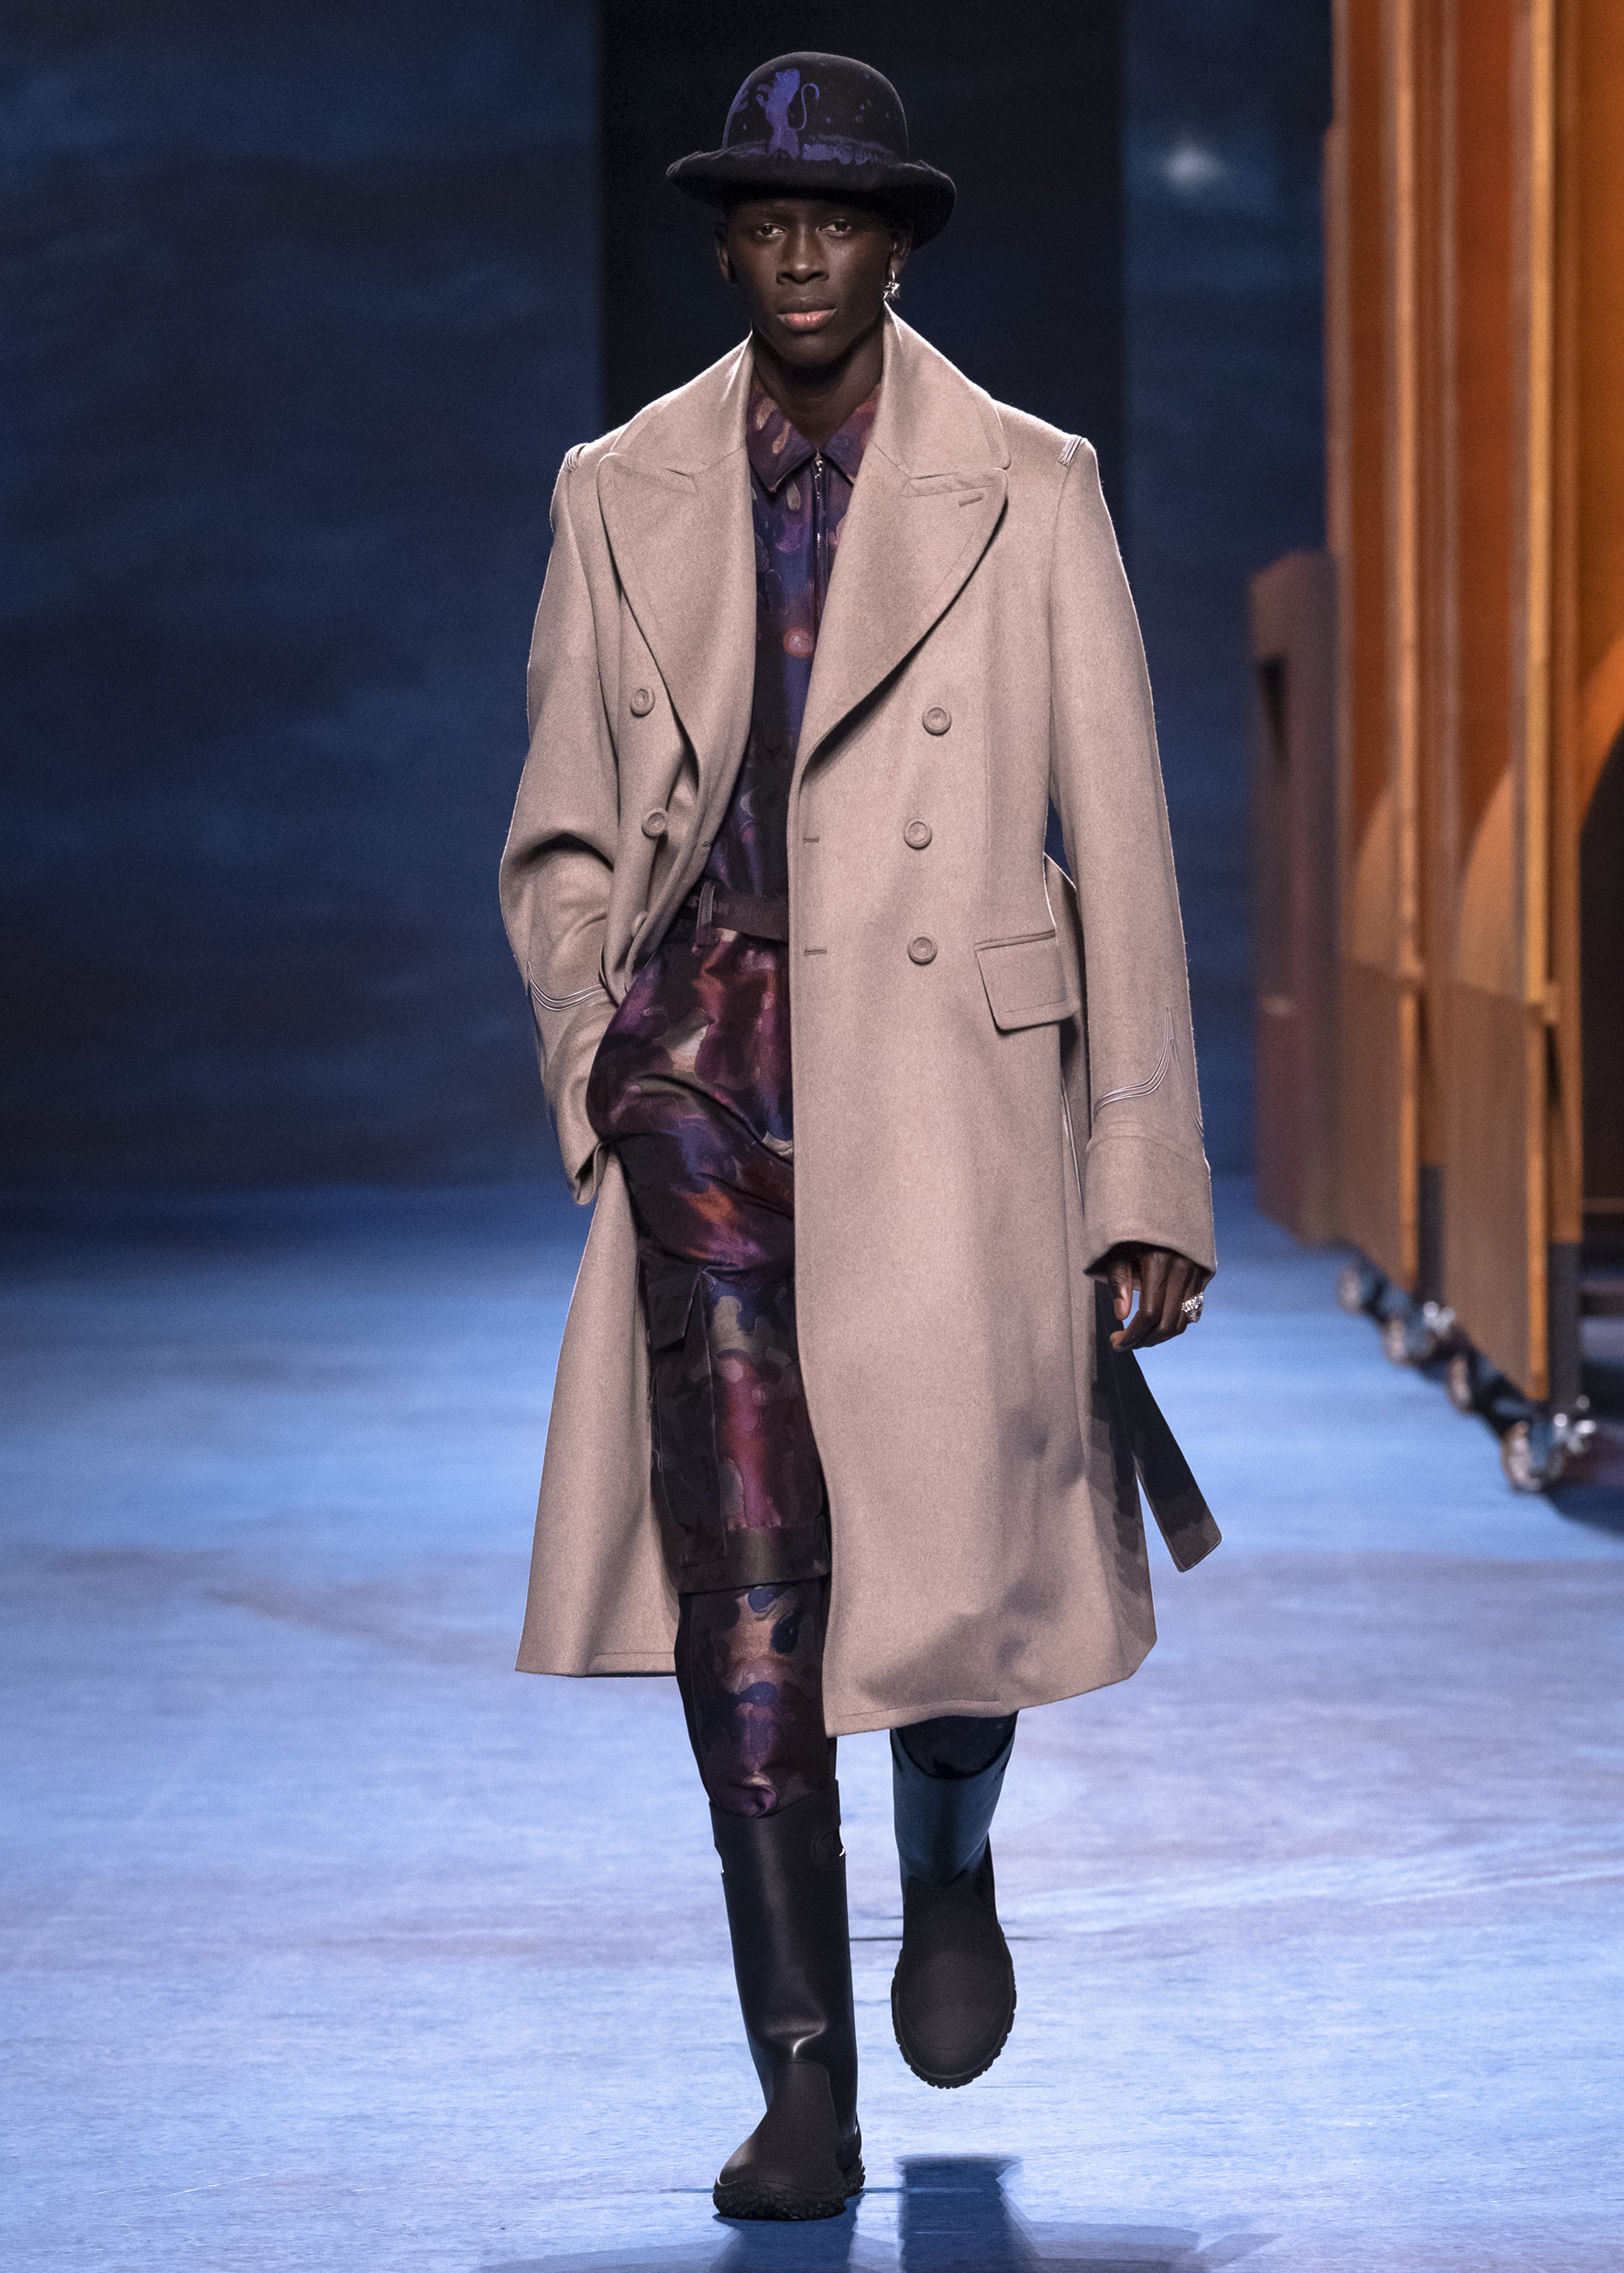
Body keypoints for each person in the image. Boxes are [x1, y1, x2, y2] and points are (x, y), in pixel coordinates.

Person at [499, 51, 1218, 2224]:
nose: (799, 254)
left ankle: (950, 1847)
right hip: (707, 1080)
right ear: (728, 245)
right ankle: (800, 2080)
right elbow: (559, 822)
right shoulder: (618, 487)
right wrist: (596, 1045)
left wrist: (1141, 1167)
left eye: (837, 221)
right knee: (748, 1584)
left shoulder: (1030, 482)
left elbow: (1123, 836)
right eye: (764, 221)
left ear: (895, 245)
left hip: (953, 1101)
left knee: (957, 1581)